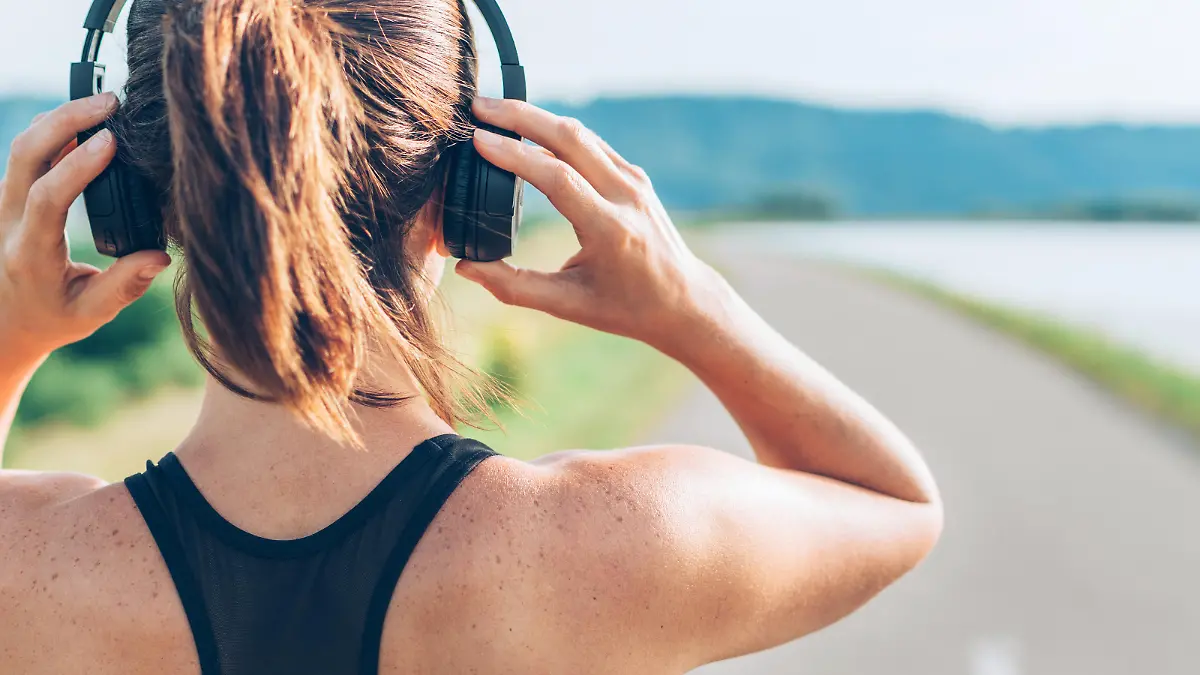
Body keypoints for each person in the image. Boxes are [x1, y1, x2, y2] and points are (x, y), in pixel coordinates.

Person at [0, 0, 942, 673]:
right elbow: (893, 505)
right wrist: (694, 304)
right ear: (471, 193)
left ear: (130, 195)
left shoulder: (31, 571)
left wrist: (10, 339)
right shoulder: (613, 544)